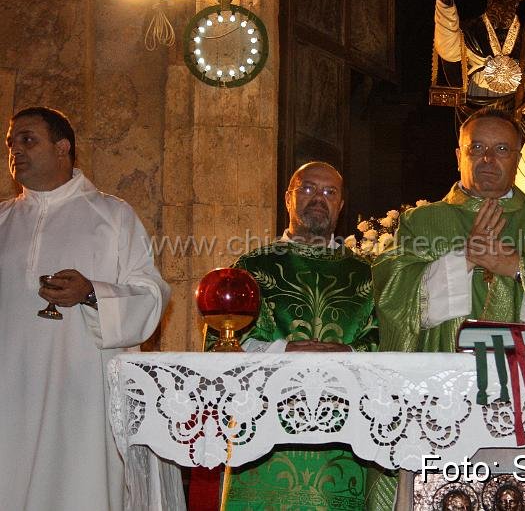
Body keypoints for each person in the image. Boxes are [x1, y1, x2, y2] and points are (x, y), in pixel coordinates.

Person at [0, 107, 171, 510]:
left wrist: (92, 293)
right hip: (9, 397)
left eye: (28, 140)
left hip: (82, 398)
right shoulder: (3, 220)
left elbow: (151, 295)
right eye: (10, 143)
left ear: (63, 148)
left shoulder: (112, 216)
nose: (15, 151)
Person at [191, 162, 379, 511]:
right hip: (264, 432)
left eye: (329, 192)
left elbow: (383, 341)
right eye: (307, 188)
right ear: (288, 198)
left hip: (342, 435)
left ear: (340, 206)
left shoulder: (363, 274)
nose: (318, 199)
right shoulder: (252, 268)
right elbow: (224, 346)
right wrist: (284, 349)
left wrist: (347, 351)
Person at [373, 107, 525, 354]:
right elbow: (392, 296)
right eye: (476, 148)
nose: (488, 158)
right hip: (445, 375)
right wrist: (465, 259)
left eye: (502, 149)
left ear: (517, 160)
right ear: (458, 156)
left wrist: (518, 267)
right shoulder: (420, 222)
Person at [433, 0, 525, 202]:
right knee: (478, 175)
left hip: (517, 114)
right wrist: (445, 2)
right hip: (477, 111)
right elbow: (448, 48)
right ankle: (478, 225)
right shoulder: (472, 30)